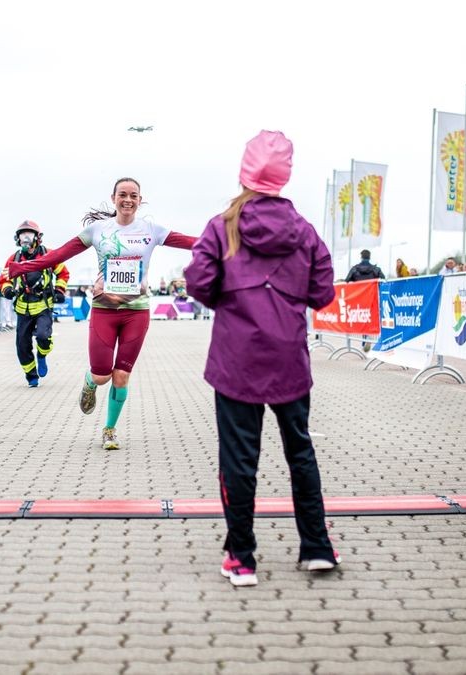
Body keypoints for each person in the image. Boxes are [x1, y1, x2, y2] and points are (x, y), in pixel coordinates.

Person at [184, 129, 340, 588]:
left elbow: (198, 281)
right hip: (289, 357)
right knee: (300, 452)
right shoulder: (305, 231)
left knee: (239, 457)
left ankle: (242, 557)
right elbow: (323, 292)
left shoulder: (222, 225)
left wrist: (231, 304)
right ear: (284, 178)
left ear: (245, 173)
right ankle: (316, 548)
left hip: (236, 358)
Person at [5, 177, 197, 450]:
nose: (128, 200)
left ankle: (109, 429)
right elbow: (58, 255)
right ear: (114, 197)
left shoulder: (152, 230)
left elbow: (191, 242)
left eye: (133, 195)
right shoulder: (98, 230)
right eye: (122, 195)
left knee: (121, 376)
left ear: (140, 200)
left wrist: (229, 241)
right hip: (104, 310)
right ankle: (89, 383)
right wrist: (21, 268)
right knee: (101, 375)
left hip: (136, 311)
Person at [0, 220, 70, 387]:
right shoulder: (13, 259)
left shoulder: (49, 255)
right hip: (23, 307)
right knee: (22, 345)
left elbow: (63, 273)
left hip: (44, 305)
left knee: (44, 337)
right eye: (22, 235)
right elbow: (3, 280)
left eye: (29, 234)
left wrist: (59, 291)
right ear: (17, 238)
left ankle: (42, 355)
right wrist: (7, 290)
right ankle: (31, 376)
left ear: (37, 237)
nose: (26, 238)